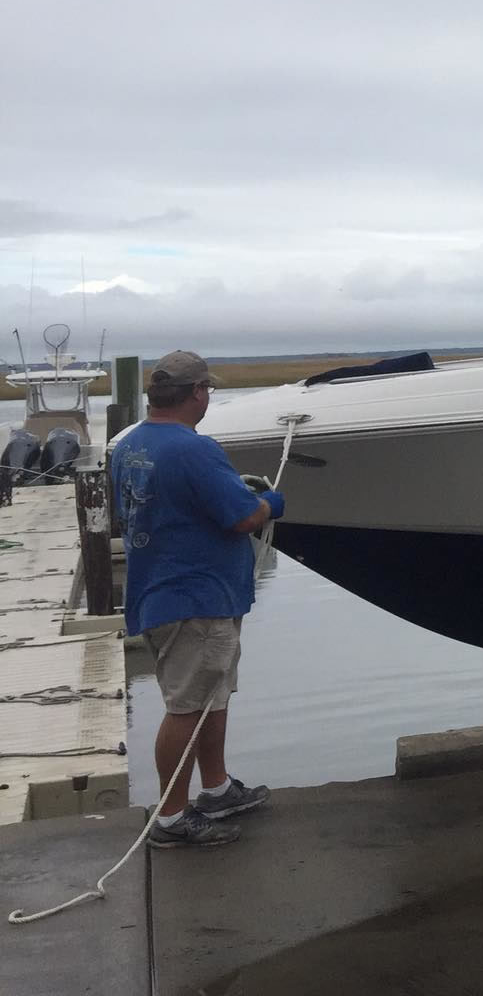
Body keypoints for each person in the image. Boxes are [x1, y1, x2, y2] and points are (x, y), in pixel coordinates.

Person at [108, 351, 284, 848]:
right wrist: (272, 502)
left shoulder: (128, 445)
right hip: (195, 601)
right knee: (187, 706)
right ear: (198, 393)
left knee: (212, 696)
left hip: (161, 592)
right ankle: (171, 817)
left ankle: (217, 787)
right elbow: (244, 518)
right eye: (207, 389)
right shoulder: (195, 449)